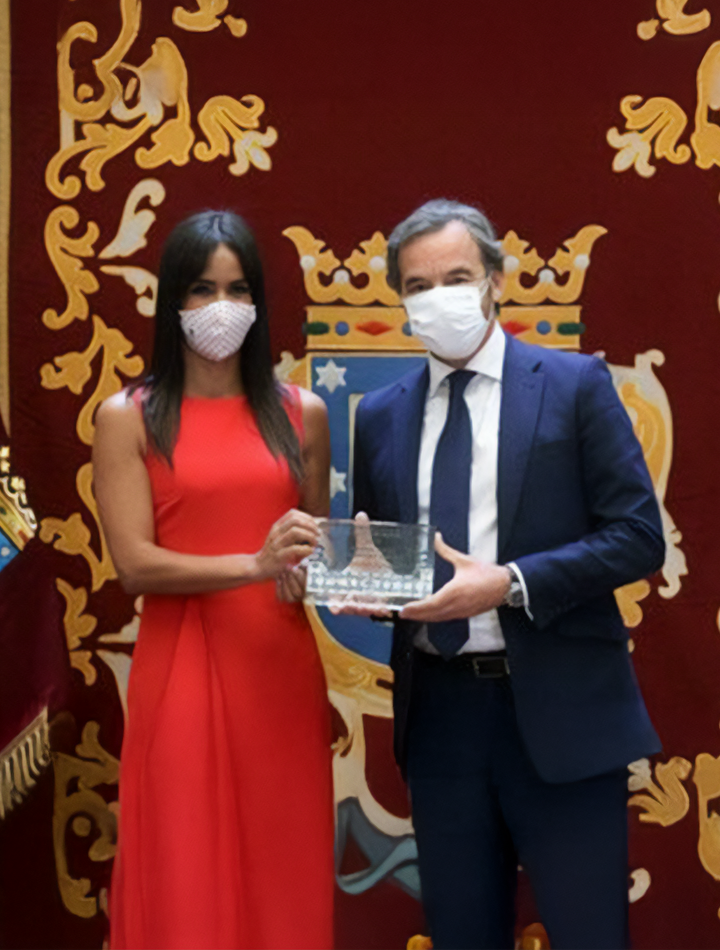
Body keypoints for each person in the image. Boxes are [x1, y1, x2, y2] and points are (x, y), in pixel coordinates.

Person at [351, 199, 664, 950]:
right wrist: (364, 584)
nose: (439, 298)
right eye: (418, 286)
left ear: (495, 279)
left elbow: (637, 538)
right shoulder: (380, 415)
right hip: (441, 722)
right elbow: (391, 559)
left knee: (591, 935)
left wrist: (511, 583)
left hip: (563, 711)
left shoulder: (575, 384)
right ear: (400, 301)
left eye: (457, 277)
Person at [93, 210, 334, 950]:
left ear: (259, 300)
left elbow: (311, 549)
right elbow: (134, 564)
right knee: (186, 869)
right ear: (173, 299)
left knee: (282, 867)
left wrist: (312, 571)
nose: (220, 307)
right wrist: (254, 566)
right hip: (182, 668)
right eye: (202, 289)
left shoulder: (305, 413)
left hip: (280, 667)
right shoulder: (127, 416)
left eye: (237, 289)